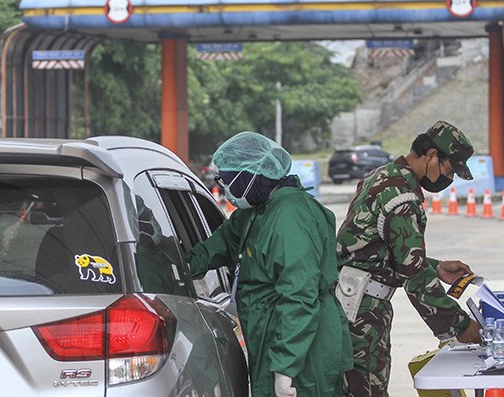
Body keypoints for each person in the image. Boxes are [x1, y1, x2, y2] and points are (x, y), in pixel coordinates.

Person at [187, 131, 352, 397]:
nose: (224, 188)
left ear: (251, 175)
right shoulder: (255, 212)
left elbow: (299, 296)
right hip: (274, 339)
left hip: (302, 353)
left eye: (226, 180)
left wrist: (285, 369)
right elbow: (214, 248)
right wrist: (168, 265)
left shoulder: (290, 216)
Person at [337, 121, 482, 396]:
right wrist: (460, 325)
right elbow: (414, 275)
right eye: (448, 170)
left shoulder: (381, 176)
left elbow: (377, 250)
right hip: (362, 313)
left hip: (352, 302)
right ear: (431, 156)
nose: (447, 180)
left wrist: (436, 267)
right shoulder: (402, 198)